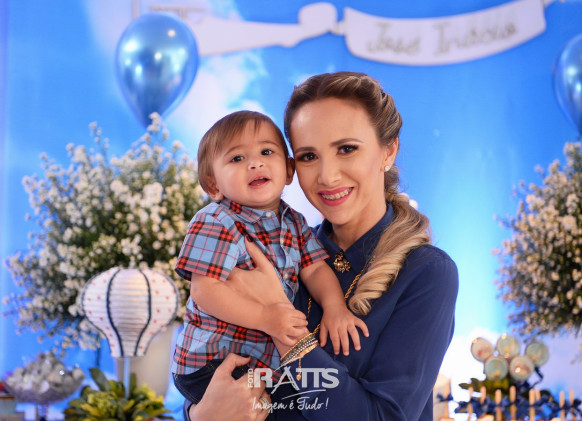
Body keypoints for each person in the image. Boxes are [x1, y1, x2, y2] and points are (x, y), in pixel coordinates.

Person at [186, 72, 459, 421]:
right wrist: (199, 414)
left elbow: (383, 416)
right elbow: (215, 373)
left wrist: (284, 328)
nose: (327, 176)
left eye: (347, 149)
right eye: (308, 156)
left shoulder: (427, 272)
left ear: (388, 151)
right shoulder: (281, 250)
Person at [172, 110, 368, 407]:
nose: (255, 163)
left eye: (266, 152)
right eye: (237, 158)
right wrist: (265, 318)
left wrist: (335, 307)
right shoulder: (216, 221)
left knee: (293, 405)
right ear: (214, 185)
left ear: (289, 170)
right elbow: (205, 291)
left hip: (258, 364)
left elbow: (315, 269)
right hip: (212, 362)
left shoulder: (294, 222)